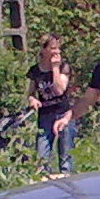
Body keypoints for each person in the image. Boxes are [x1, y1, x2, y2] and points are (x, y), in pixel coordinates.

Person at [26, 34, 74, 172]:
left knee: (66, 155)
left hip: (63, 113)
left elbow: (59, 90)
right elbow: (30, 93)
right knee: (42, 155)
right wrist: (32, 99)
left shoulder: (63, 67)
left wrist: (55, 68)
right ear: (44, 49)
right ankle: (42, 178)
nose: (57, 52)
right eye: (53, 48)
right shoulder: (35, 71)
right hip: (45, 115)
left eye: (58, 48)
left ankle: (67, 177)